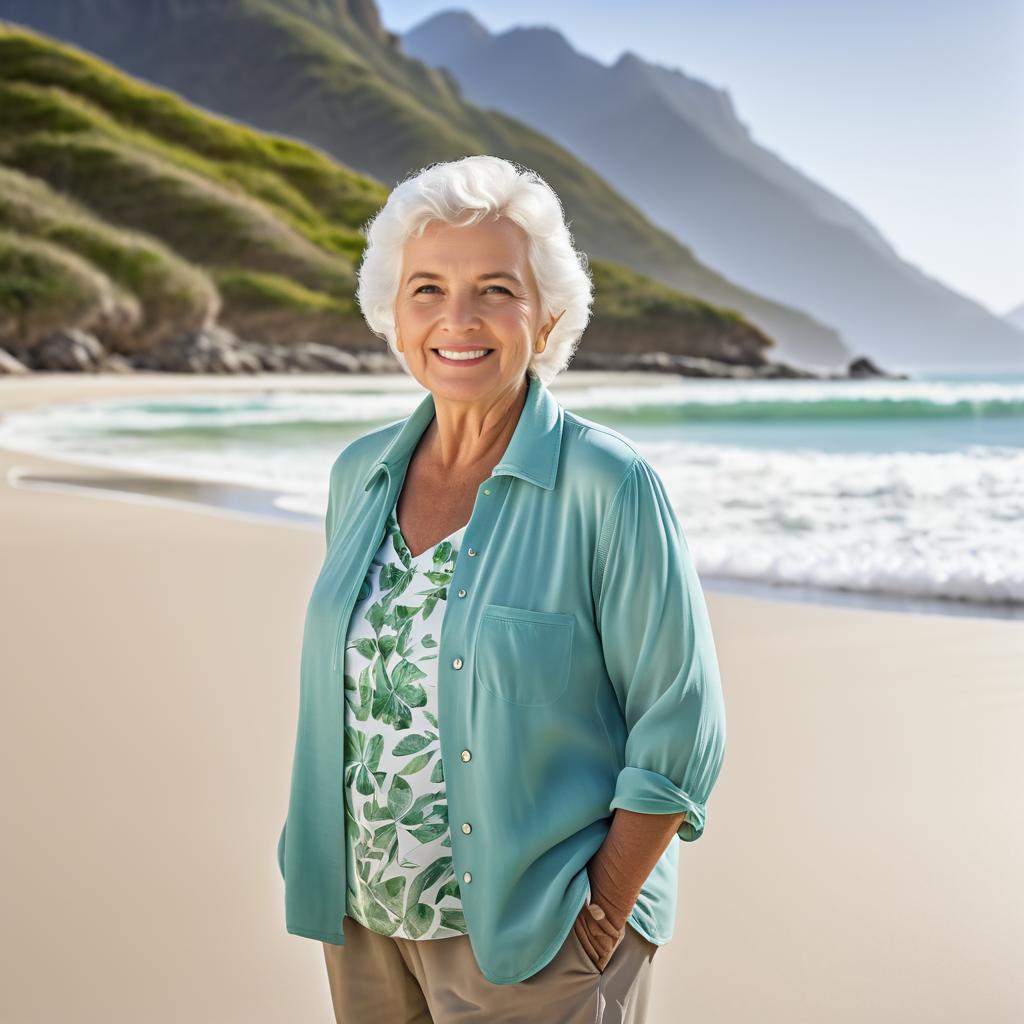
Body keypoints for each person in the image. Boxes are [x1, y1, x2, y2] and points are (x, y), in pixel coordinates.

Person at [277, 155, 727, 1023]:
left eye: (495, 289)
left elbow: (682, 720)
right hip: (362, 922)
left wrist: (600, 915)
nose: (458, 318)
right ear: (392, 315)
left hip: (535, 939)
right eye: (427, 289)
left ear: (547, 313)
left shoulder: (609, 484)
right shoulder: (357, 474)